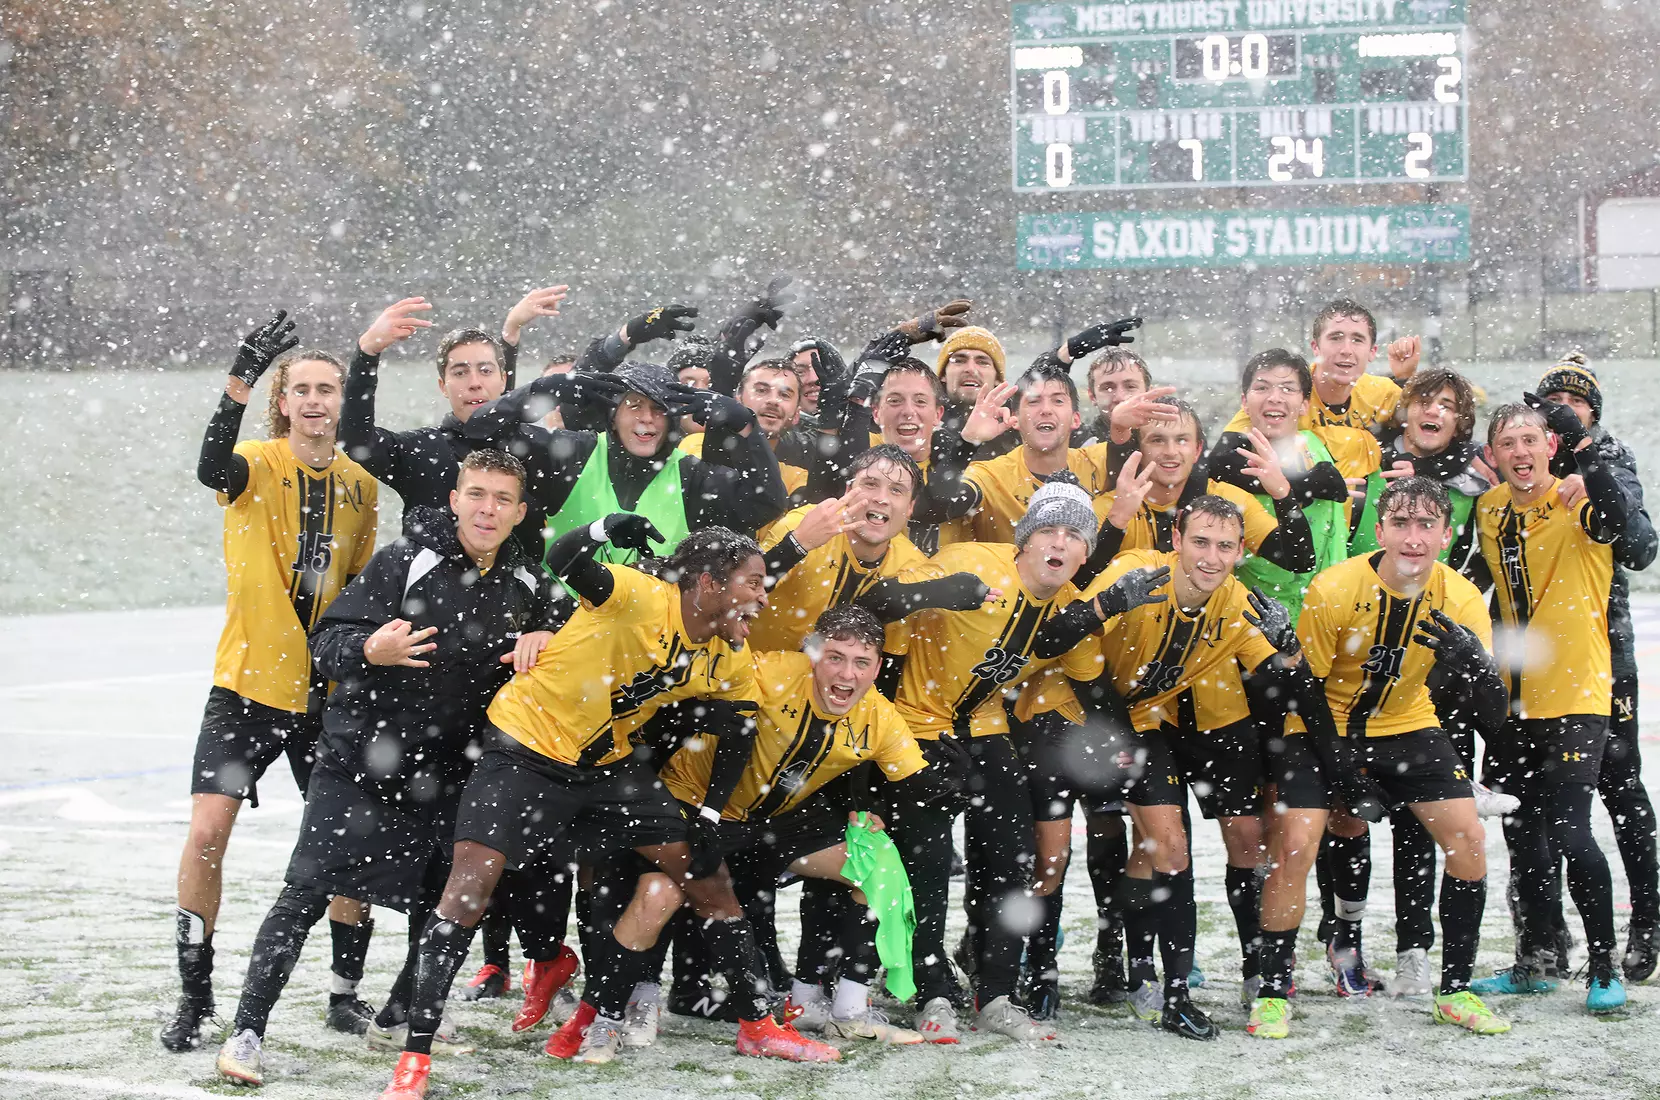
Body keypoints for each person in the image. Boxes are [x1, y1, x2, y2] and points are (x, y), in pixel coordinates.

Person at [375, 523, 841, 1100]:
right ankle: (414, 1061)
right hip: (526, 748)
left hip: (607, 769)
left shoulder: (730, 651)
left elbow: (741, 724)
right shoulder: (642, 595)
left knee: (706, 877)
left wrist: (714, 814)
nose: (764, 596)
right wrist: (603, 528)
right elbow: (565, 557)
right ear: (708, 584)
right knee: (469, 889)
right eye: (752, 582)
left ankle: (757, 1026)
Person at [213, 451, 559, 1085]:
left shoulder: (530, 582)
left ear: (519, 511)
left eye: (501, 499)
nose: (487, 509)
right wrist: (372, 649)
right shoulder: (406, 561)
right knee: (307, 891)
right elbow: (326, 646)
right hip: (359, 763)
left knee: (442, 905)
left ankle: (397, 1018)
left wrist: (547, 638)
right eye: (476, 494)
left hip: (455, 773)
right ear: (455, 499)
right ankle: (246, 1032)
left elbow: (568, 637)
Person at [165, 314, 380, 1052]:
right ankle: (195, 999)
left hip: (325, 701)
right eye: (302, 390)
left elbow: (356, 595)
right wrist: (238, 381)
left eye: (327, 389)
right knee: (206, 835)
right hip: (247, 690)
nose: (315, 400)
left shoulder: (359, 488)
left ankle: (344, 994)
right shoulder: (253, 463)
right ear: (283, 402)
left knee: (345, 842)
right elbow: (208, 468)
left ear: (341, 402)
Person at [884, 480, 1145, 1043]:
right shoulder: (971, 561)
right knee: (926, 865)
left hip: (984, 728)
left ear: (1084, 555)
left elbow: (1096, 692)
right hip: (915, 724)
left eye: (1074, 535)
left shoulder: (1072, 615)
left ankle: (997, 991)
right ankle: (931, 990)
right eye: (1048, 530)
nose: (1059, 542)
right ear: (1023, 541)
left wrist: (1130, 750)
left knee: (1013, 858)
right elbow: (880, 607)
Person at [654, 606, 961, 1048]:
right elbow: (686, 690)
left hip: (778, 817)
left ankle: (842, 1010)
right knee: (656, 890)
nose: (847, 674)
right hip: (699, 804)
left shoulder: (881, 717)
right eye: (835, 657)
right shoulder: (770, 672)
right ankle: (631, 1001)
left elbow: (913, 783)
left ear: (877, 668)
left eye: (861, 662)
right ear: (813, 654)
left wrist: (954, 780)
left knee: (878, 864)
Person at [1277, 476, 1511, 1038]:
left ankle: (1453, 990)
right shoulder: (1335, 587)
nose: (1413, 537)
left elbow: (1496, 715)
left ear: (1446, 535)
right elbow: (1305, 693)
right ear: (1378, 531)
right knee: (1309, 837)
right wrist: (1345, 772)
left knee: (1468, 840)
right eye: (1401, 524)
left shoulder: (1458, 597)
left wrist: (1474, 661)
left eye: (1426, 524)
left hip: (1409, 724)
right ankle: (1294, 970)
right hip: (1323, 723)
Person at [1471, 400, 1635, 1013]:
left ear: (1549, 447)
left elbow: (1624, 526)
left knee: (1569, 829)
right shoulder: (1489, 510)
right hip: (1513, 700)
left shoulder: (1579, 500)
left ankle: (1603, 966)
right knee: (1522, 834)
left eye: (1529, 440)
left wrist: (1589, 467)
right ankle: (1536, 960)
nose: (1519, 452)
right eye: (1507, 443)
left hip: (1576, 695)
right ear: (1494, 455)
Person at [1535, 355, 1660, 982]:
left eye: (1574, 400)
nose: (1562, 407)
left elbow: (1640, 547)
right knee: (1532, 802)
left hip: (1602, 653)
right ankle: (1545, 937)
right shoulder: (1523, 459)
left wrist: (1589, 463)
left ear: (1592, 413)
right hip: (1528, 659)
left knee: (1619, 785)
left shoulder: (1609, 460)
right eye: (1551, 399)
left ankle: (1647, 919)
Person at [1221, 299, 1419, 439]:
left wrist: (1405, 378)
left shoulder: (1384, 393)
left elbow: (1434, 440)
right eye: (1336, 338)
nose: (1346, 350)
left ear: (1372, 351)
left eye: (1357, 340)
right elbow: (1224, 457)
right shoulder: (1284, 391)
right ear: (1315, 347)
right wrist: (1303, 483)